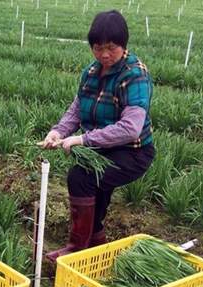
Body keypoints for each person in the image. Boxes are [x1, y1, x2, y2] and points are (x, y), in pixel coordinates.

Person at [42, 10, 154, 261]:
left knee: (81, 177)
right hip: (102, 149)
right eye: (98, 48)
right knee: (96, 189)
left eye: (111, 48)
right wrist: (58, 131)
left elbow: (130, 128)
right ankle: (95, 246)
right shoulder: (91, 73)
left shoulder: (135, 74)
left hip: (132, 152)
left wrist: (83, 140)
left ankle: (77, 248)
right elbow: (77, 109)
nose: (104, 54)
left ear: (123, 45)